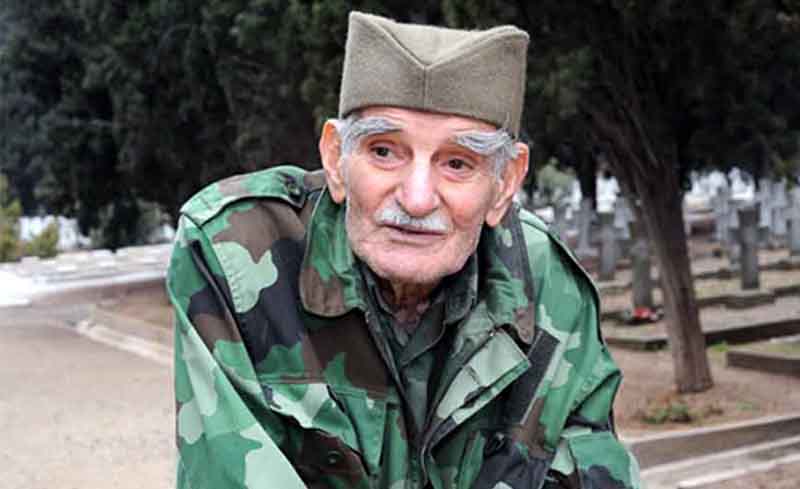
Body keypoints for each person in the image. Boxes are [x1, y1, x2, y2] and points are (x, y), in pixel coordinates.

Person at [167, 11, 642, 489]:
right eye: (384, 151)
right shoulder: (233, 252)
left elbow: (592, 467)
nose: (416, 200)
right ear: (335, 158)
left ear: (505, 183)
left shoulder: (547, 283)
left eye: (458, 163)